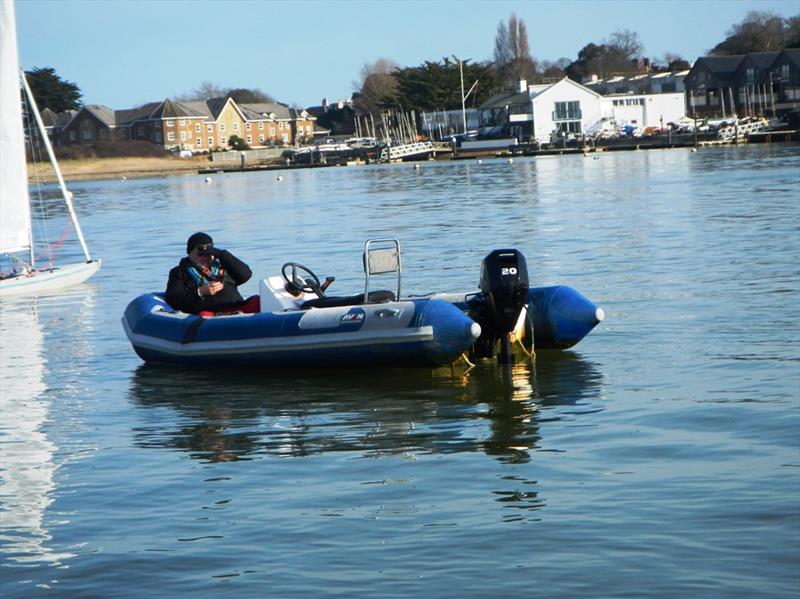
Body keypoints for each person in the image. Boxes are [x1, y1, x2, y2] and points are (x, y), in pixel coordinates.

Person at [166, 232, 260, 315]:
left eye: (208, 251)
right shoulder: (179, 272)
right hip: (208, 314)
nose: (205, 255)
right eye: (200, 251)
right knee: (204, 315)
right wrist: (200, 291)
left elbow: (246, 275)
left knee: (258, 301)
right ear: (190, 253)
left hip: (235, 308)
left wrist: (221, 254)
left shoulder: (223, 265)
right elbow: (174, 299)